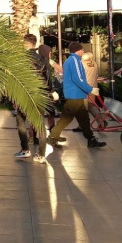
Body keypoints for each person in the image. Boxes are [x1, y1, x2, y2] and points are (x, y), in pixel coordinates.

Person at [49, 41, 106, 148]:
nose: (83, 51)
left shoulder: (70, 60)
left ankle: (91, 139)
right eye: (82, 49)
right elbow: (78, 79)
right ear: (78, 50)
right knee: (66, 118)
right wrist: (90, 89)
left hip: (76, 94)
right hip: (75, 94)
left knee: (84, 119)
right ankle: (52, 137)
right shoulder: (75, 60)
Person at [14, 34, 55, 162]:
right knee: (40, 124)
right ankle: (41, 155)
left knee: (21, 120)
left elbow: (18, 79)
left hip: (26, 95)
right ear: (35, 43)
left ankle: (25, 149)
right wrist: (49, 92)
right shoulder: (43, 59)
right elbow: (48, 78)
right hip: (41, 95)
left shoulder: (21, 59)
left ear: (25, 43)